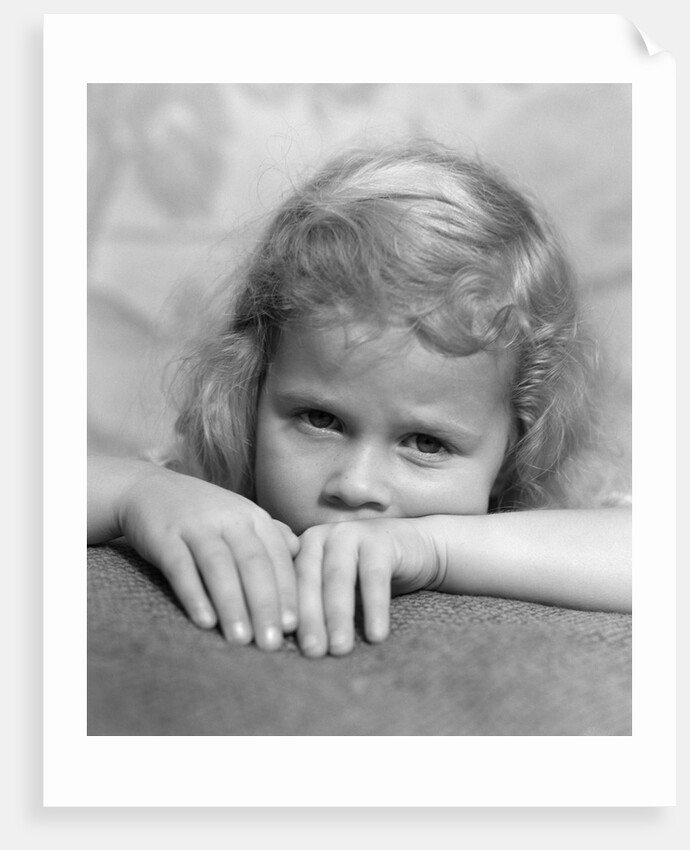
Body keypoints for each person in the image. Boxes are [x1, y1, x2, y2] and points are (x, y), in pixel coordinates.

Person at [88, 141, 632, 658]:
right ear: (253, 388)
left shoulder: (541, 516)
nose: (357, 485)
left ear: (519, 446)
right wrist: (138, 491)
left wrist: (433, 550)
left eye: (426, 443)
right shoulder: (213, 490)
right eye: (320, 419)